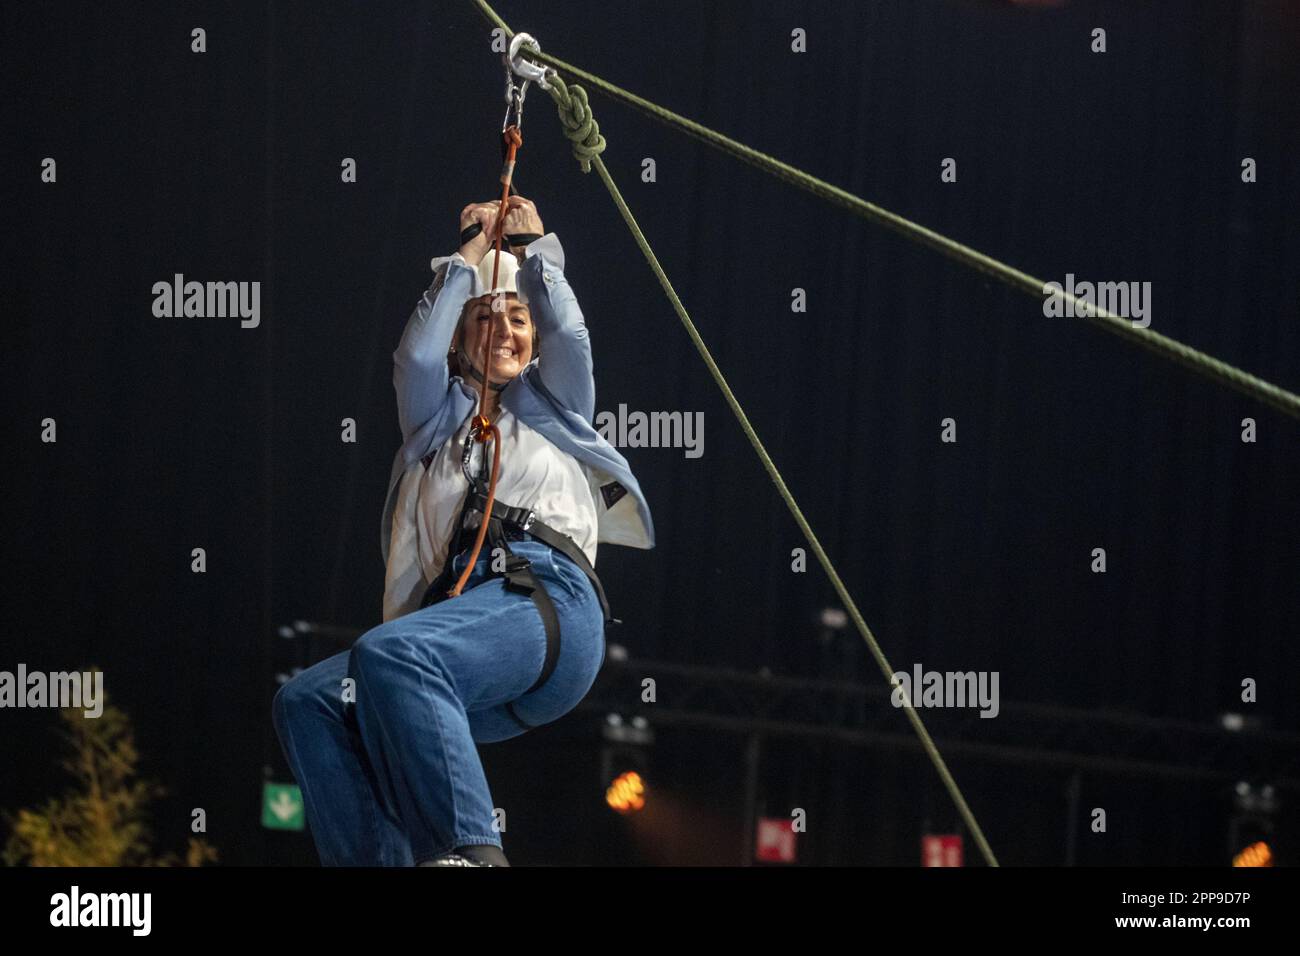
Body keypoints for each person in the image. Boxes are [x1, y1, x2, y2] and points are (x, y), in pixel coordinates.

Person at [272, 196, 655, 867]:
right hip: (467, 633)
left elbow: (569, 335)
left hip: (547, 603)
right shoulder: (433, 428)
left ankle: (473, 857)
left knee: (394, 654)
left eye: (517, 319)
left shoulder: (558, 407)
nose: (506, 332)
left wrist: (529, 247)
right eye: (485, 318)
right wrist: (469, 256)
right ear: (459, 334)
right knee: (308, 701)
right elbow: (416, 360)